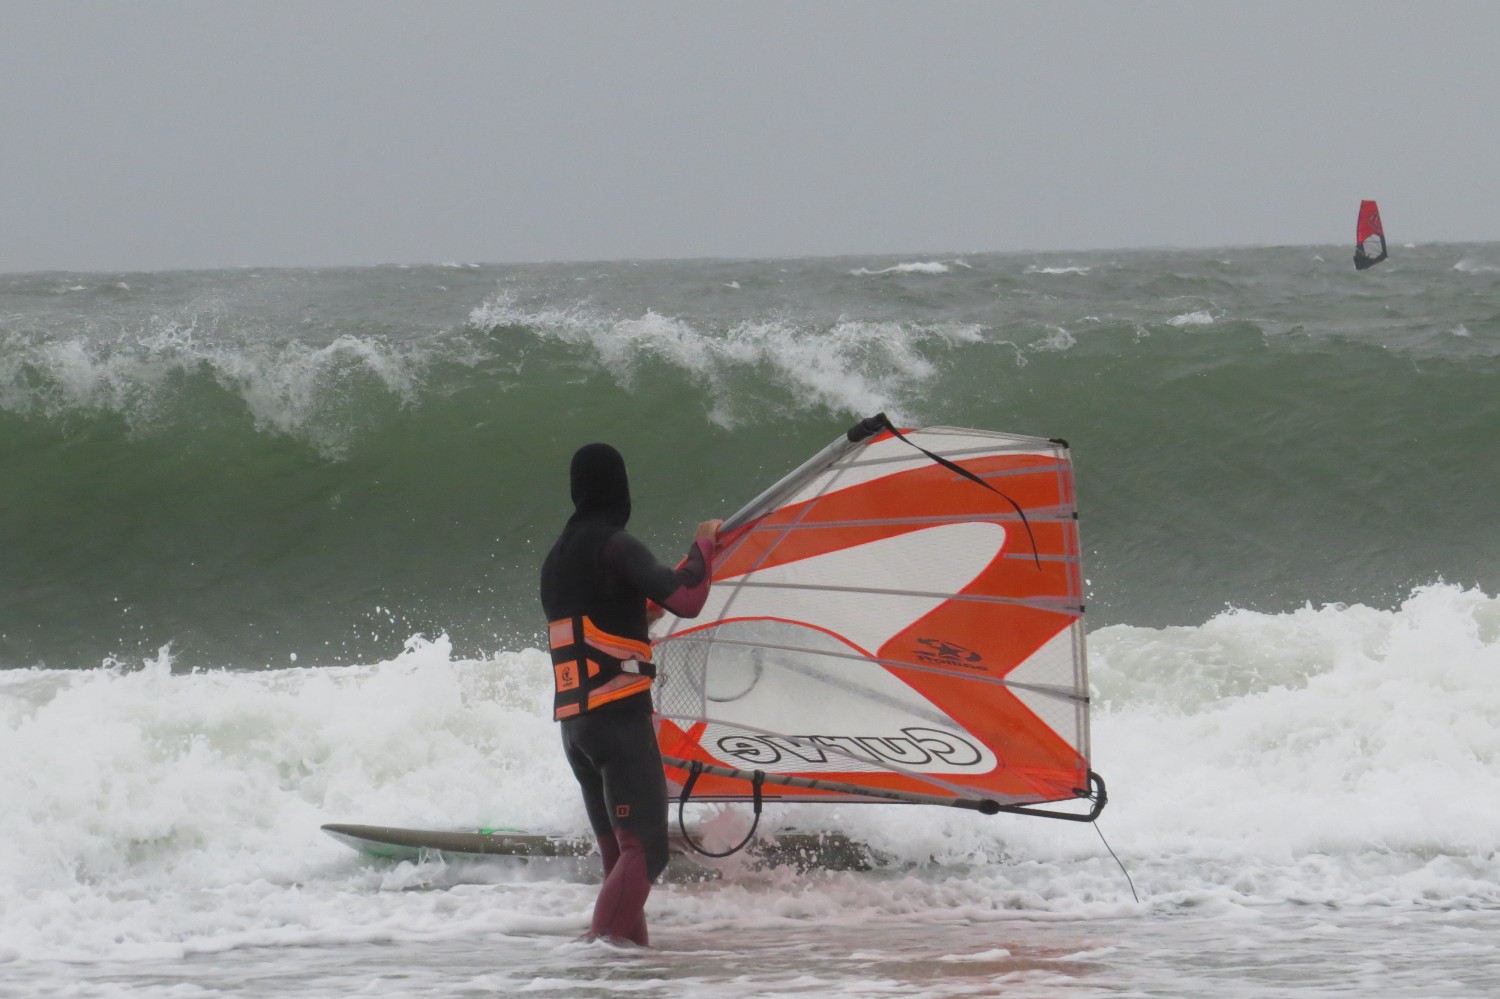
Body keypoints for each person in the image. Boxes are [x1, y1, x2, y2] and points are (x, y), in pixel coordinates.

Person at [539, 442, 720, 946]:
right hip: (617, 720)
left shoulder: (556, 558)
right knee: (648, 852)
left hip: (576, 728)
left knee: (621, 859)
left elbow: (595, 620)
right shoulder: (613, 543)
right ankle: (596, 965)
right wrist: (704, 545)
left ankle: (626, 977)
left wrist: (643, 614)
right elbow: (687, 596)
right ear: (619, 487)